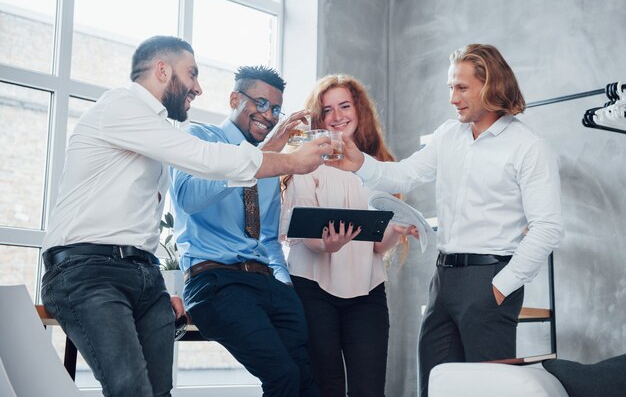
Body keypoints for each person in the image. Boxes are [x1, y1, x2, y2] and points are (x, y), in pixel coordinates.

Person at [40, 36, 331, 397]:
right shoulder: (123, 107)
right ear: (162, 69)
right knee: (131, 387)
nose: (198, 86)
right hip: (87, 270)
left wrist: (159, 286)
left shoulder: (157, 134)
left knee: (160, 390)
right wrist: (291, 161)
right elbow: (204, 163)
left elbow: (137, 227)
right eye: (191, 74)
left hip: (141, 272)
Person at [327, 44, 563, 397]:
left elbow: (547, 228)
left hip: (490, 279)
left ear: (491, 85)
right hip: (443, 280)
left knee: (487, 391)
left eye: (462, 87)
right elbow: (404, 175)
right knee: (435, 385)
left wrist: (501, 287)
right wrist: (359, 163)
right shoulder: (447, 136)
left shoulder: (528, 147)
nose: (453, 98)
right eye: (450, 88)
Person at [169, 65, 320, 397]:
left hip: (266, 283)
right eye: (261, 103)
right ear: (235, 98)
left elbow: (267, 238)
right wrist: (255, 158)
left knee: (308, 381)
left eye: (276, 108)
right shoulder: (198, 139)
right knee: (281, 376)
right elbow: (189, 199)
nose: (268, 115)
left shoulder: (270, 164)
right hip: (216, 282)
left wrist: (284, 285)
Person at [280, 74, 418, 397]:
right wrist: (325, 244)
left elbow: (376, 246)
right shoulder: (306, 161)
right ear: (318, 116)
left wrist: (397, 230)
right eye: (327, 110)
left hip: (366, 291)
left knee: (369, 390)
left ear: (360, 111)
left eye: (345, 106)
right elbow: (301, 229)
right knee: (326, 387)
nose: (337, 116)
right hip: (312, 289)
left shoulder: (377, 167)